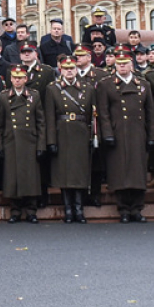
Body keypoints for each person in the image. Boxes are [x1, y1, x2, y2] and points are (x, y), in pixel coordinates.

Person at [97, 52, 154, 223]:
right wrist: (107, 134)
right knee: (120, 172)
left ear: (131, 65)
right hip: (117, 133)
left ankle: (137, 208)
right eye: (119, 63)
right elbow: (104, 113)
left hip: (138, 133)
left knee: (137, 172)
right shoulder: (106, 85)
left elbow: (150, 113)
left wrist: (153, 135)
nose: (122, 66)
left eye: (125, 63)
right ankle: (123, 208)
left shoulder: (143, 84)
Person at [45, 57, 95, 223]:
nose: (69, 71)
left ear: (76, 69)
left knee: (79, 173)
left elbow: (91, 115)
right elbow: (50, 117)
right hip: (62, 132)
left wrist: (92, 136)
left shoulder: (87, 88)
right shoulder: (53, 89)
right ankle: (68, 209)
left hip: (80, 132)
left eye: (72, 68)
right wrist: (51, 140)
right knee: (64, 173)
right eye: (66, 68)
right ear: (60, 69)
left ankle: (79, 209)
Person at [0, 67, 46, 223]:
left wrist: (41, 145)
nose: (17, 80)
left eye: (20, 78)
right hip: (11, 141)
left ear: (26, 79)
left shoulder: (34, 95)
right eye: (14, 78)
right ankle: (15, 210)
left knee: (31, 177)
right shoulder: (4, 96)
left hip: (30, 141)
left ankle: (31, 210)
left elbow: (41, 122)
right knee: (13, 177)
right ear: (11, 79)